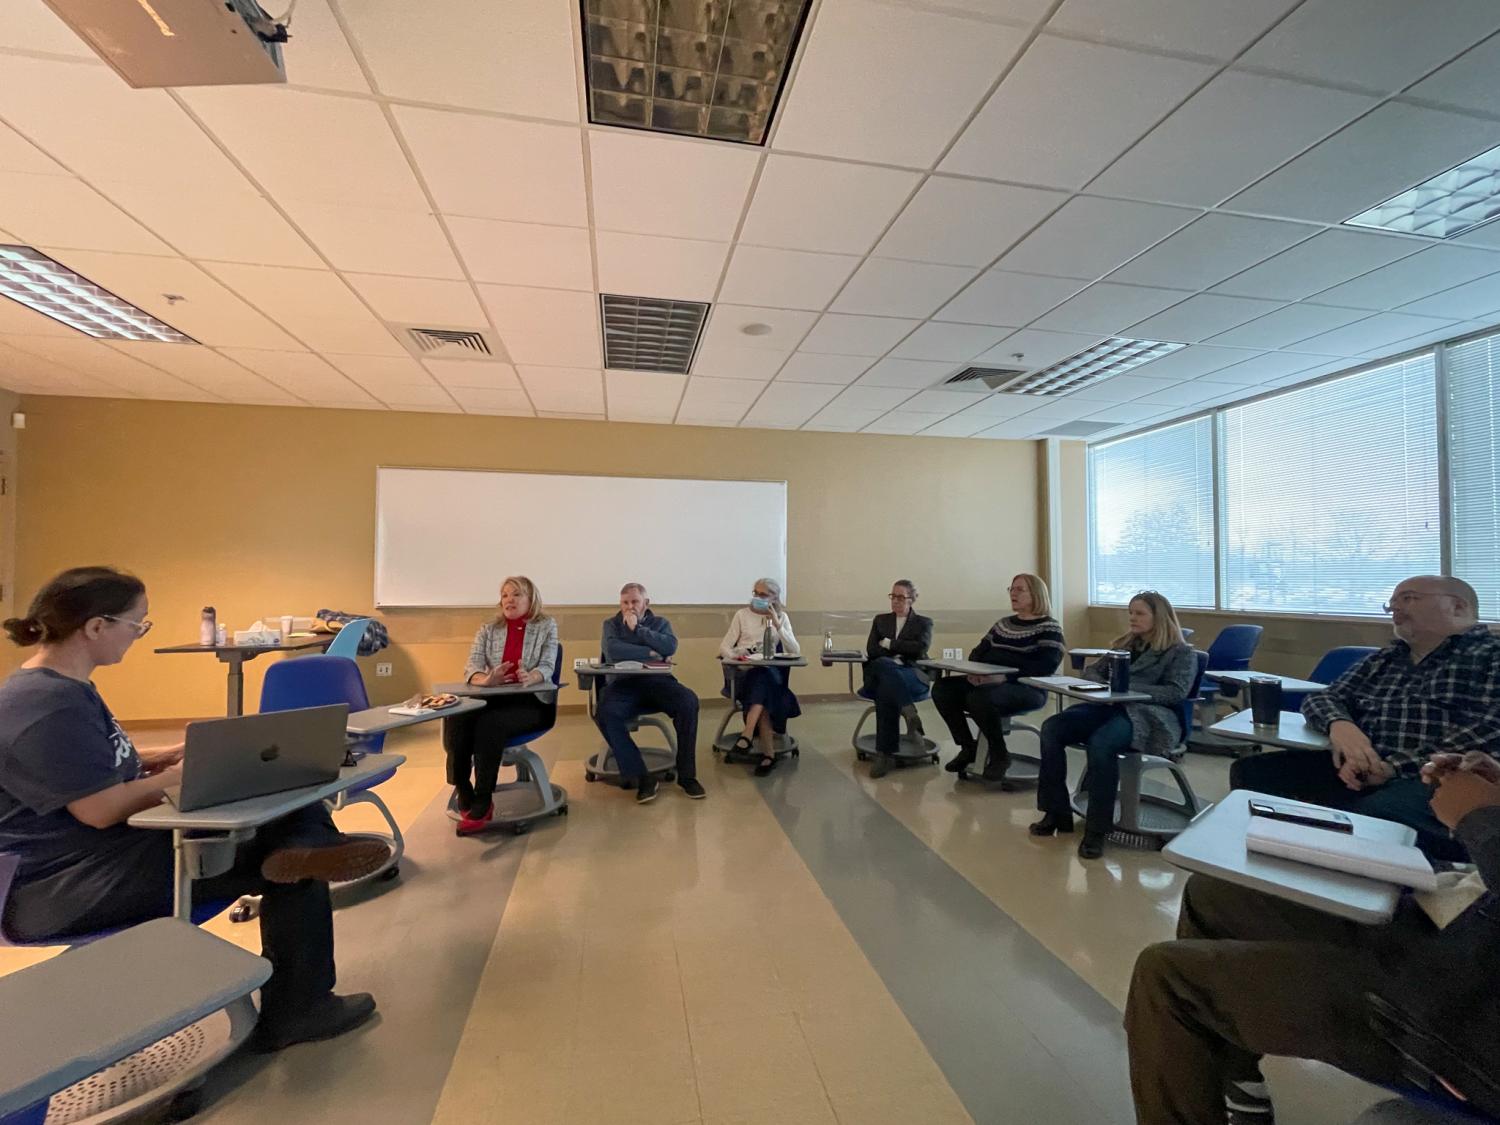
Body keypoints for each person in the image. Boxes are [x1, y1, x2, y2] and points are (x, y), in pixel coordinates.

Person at [0, 567, 386, 1051]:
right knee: (280, 848)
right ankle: (300, 1006)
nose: (139, 635)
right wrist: (175, 778)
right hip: (63, 888)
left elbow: (90, 768)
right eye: (137, 624)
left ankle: (308, 849)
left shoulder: (58, 690)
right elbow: (99, 808)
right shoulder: (46, 706)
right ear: (95, 627)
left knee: (272, 805)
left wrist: (161, 756)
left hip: (93, 861)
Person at [1124, 750, 1500, 1125]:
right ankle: (1236, 1080)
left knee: (1169, 979)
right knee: (1213, 894)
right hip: (1456, 928)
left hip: (1460, 1009)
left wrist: (1479, 817)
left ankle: (1209, 1050)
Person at [1231, 575, 1500, 861]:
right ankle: (1272, 865)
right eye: (1391, 604)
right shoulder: (1382, 660)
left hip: (1440, 776)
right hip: (1363, 765)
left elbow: (1491, 729)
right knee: (1253, 772)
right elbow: (1323, 697)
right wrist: (1341, 727)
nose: (1395, 609)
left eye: (1408, 598)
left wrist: (1391, 767)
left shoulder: (1490, 655)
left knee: (1375, 815)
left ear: (1458, 607)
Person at [1032, 590, 1196, 860]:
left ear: (1159, 617)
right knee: (1053, 728)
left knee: (1102, 743)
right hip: (1110, 707)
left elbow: (1175, 692)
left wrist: (1126, 688)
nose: (1132, 618)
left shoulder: (1181, 653)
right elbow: (1092, 671)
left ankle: (1097, 829)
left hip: (1151, 716)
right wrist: (1107, 685)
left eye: (1139, 613)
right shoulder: (1125, 646)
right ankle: (1056, 811)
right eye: (1130, 612)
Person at [445, 575, 559, 836]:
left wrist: (533, 676)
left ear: (531, 599)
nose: (509, 600)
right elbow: (471, 665)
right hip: (491, 696)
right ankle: (464, 789)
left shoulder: (546, 626)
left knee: (489, 724)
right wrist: (486, 679)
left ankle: (484, 800)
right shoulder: (488, 629)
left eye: (517, 594)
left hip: (529, 701)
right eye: (505, 595)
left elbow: (548, 664)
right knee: (458, 716)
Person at [932, 573, 1064, 785]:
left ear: (1036, 594)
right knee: (943, 689)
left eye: (1020, 589)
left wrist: (1003, 677)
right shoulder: (1002, 625)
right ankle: (968, 747)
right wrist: (976, 672)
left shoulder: (1049, 627)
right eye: (1011, 589)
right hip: (988, 681)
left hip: (1026, 687)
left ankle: (999, 753)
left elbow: (1045, 665)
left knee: (979, 698)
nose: (1013, 593)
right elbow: (978, 653)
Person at [596, 582, 705, 805]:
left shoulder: (660, 623)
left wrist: (638, 630)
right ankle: (642, 777)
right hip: (623, 685)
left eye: (635, 602)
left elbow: (670, 647)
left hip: (658, 681)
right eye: (625, 602)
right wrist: (651, 651)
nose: (630, 607)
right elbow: (613, 651)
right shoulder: (611, 625)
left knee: (688, 701)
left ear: (646, 603)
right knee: (606, 713)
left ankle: (687, 776)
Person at [720, 578, 800, 777]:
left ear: (774, 598)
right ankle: (767, 755)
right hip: (743, 674)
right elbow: (723, 646)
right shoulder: (742, 615)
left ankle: (748, 736)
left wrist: (778, 624)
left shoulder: (782, 617)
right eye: (755, 593)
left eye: (763, 595)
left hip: (769, 676)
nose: (757, 597)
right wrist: (735, 656)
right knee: (760, 681)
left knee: (762, 678)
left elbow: (795, 650)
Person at [860, 580, 935, 779]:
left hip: (911, 674)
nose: (895, 601)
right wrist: (901, 647)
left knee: (886, 688)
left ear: (912, 599)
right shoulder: (881, 620)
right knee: (885, 667)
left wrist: (890, 643)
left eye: (901, 597)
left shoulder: (924, 623)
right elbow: (872, 650)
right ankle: (909, 711)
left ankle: (885, 754)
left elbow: (920, 649)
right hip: (882, 670)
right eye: (893, 596)